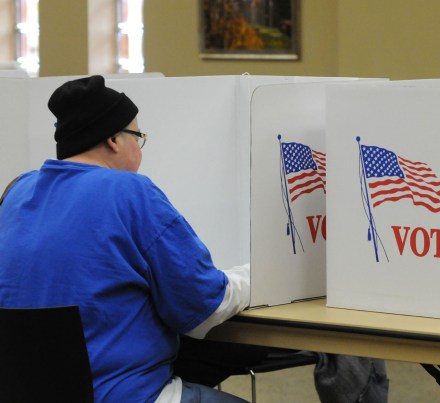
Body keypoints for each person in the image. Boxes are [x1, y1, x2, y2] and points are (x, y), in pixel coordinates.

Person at [0, 75, 388, 403]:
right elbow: (202, 302)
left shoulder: (17, 192)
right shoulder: (129, 192)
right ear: (114, 140)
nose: (140, 148)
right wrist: (260, 276)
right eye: (139, 136)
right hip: (124, 392)